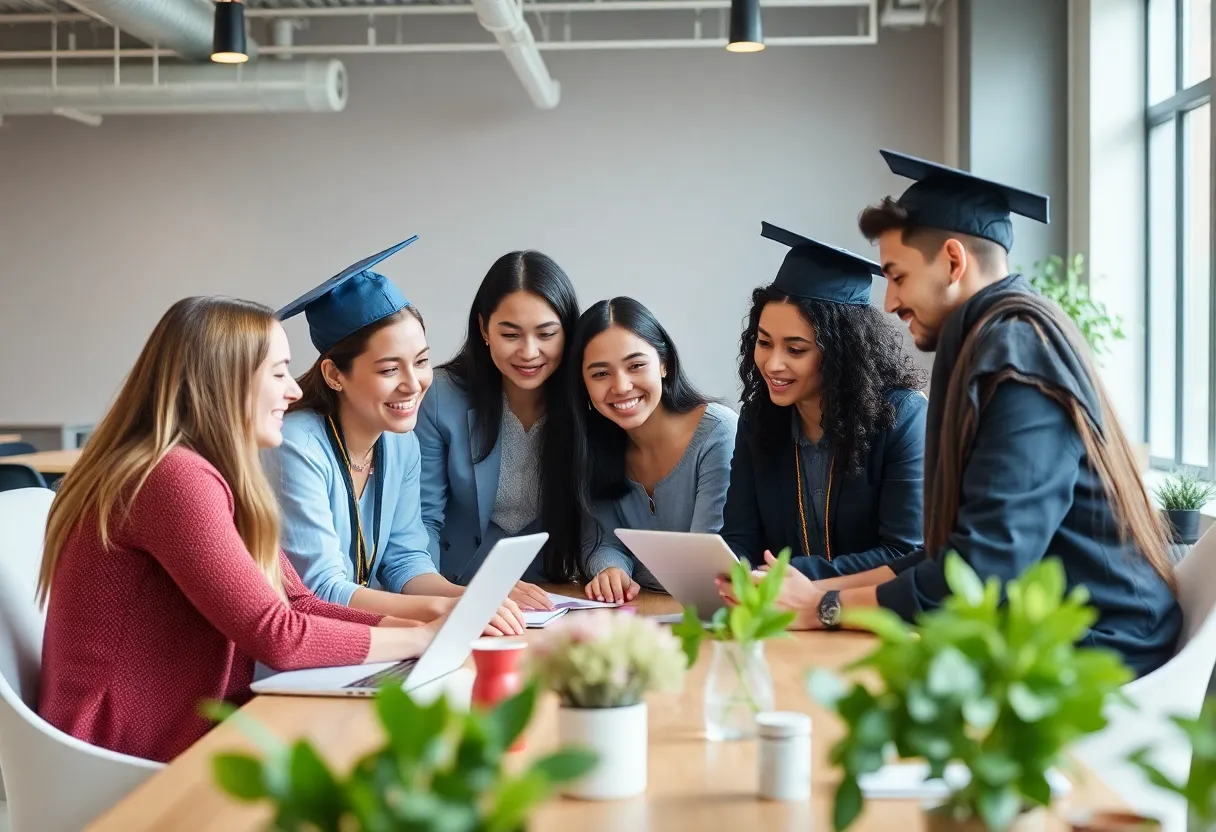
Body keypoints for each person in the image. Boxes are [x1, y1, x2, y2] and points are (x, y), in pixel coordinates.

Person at [732, 151, 1182, 678]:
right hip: (1044, 639)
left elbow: (981, 568)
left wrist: (825, 608)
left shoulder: (1015, 360)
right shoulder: (994, 341)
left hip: (1099, 654)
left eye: (898, 276)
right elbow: (946, 556)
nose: (890, 302)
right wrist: (819, 592)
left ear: (952, 261)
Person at [38, 297, 439, 763]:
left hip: (180, 728)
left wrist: (420, 625)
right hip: (117, 752)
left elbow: (298, 603)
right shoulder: (170, 477)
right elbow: (279, 636)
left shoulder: (209, 472)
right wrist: (420, 639)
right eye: (279, 373)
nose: (294, 391)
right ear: (224, 381)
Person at [265, 239, 524, 636]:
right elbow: (321, 590)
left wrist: (475, 599)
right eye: (389, 370)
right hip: (302, 646)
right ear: (334, 375)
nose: (413, 384)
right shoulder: (295, 446)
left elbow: (405, 561)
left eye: (421, 361)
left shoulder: (399, 443)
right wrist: (444, 608)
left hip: (368, 638)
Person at [719, 222, 928, 579]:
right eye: (764, 342)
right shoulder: (759, 419)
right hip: (776, 608)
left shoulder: (902, 418)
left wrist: (791, 576)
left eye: (796, 349)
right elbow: (741, 539)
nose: (773, 364)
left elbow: (904, 551)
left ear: (843, 354)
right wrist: (731, 572)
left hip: (872, 609)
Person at [416, 250, 582, 610]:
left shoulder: (587, 400)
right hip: (457, 590)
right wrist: (440, 597)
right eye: (510, 334)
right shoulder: (440, 397)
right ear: (484, 330)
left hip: (554, 596)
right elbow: (423, 519)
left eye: (546, 334)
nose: (529, 352)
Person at [571, 297, 738, 603]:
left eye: (635, 366)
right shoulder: (595, 445)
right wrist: (611, 571)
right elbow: (601, 541)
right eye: (600, 374)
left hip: (712, 612)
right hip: (644, 608)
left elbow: (706, 563)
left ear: (664, 364)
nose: (621, 386)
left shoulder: (717, 433)